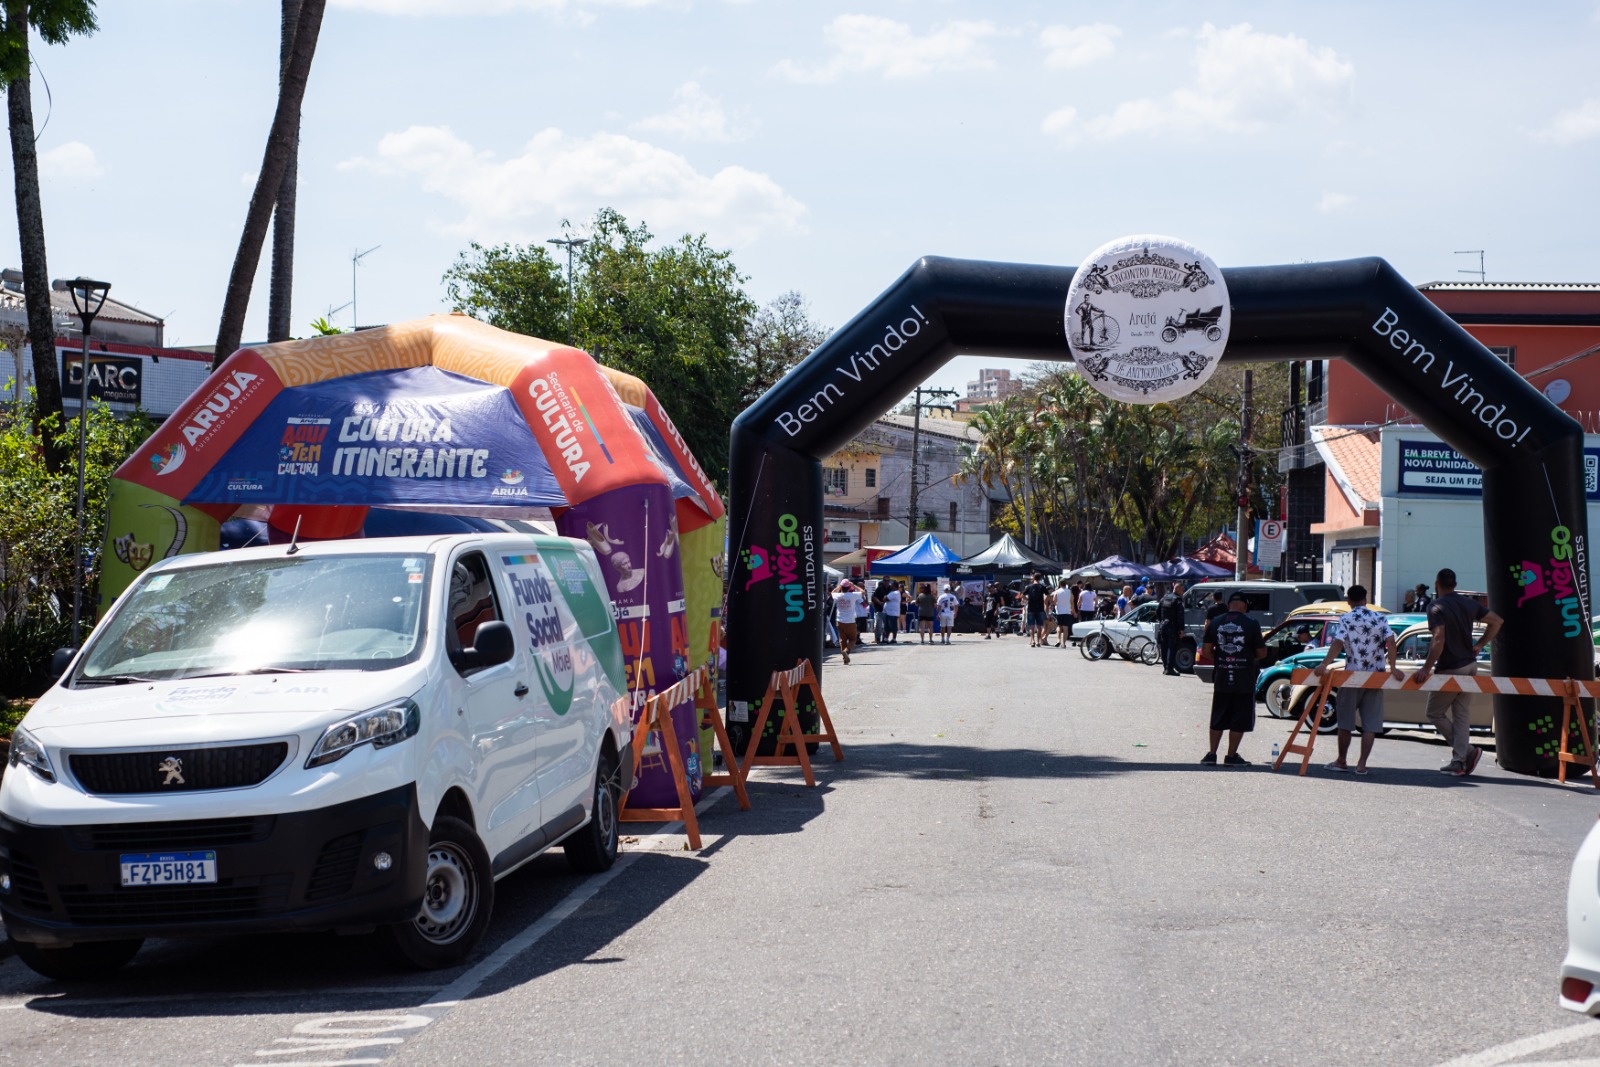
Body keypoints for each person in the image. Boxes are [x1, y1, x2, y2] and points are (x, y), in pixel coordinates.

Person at [1412, 567, 1503, 776]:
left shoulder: (1435, 607)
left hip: (1451, 667)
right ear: (1455, 584)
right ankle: (1460, 760)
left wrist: (1426, 668)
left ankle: (1467, 753)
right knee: (1462, 714)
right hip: (1471, 664)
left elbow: (1438, 639)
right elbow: (1497, 621)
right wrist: (1480, 644)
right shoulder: (1469, 604)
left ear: (1437, 584)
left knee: (1434, 712)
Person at [1315, 584, 1402, 775]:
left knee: (1345, 721)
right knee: (1370, 723)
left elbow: (1338, 643)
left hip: (1352, 676)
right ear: (1366, 599)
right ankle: (1362, 764)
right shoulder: (1380, 618)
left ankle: (1342, 760)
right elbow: (1391, 642)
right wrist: (1393, 667)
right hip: (1375, 676)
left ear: (1348, 601)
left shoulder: (1346, 618)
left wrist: (1324, 664)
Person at [1201, 590, 1267, 766]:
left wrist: (1223, 659)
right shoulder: (1252, 624)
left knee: (1218, 715)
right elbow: (1262, 652)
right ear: (1244, 606)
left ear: (1229, 605)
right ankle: (1231, 756)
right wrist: (1245, 657)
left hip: (1222, 676)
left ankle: (1211, 754)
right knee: (1239, 717)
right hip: (1244, 678)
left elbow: (1206, 651)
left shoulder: (1215, 622)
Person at [1158, 580, 1186, 675]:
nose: (1183, 592)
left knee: (1164, 647)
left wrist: (1161, 622)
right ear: (1177, 588)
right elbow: (1180, 616)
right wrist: (1181, 629)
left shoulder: (1164, 598)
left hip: (1163, 626)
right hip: (1172, 627)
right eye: (1182, 590)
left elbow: (1158, 612)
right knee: (1172, 647)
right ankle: (1169, 668)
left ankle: (1165, 667)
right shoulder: (1177, 601)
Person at [832, 580, 863, 665]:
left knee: (843, 640)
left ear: (841, 587)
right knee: (853, 639)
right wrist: (854, 585)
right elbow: (863, 592)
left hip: (840, 620)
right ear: (849, 588)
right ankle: (846, 650)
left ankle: (844, 659)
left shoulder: (838, 595)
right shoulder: (852, 595)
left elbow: (832, 592)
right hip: (850, 621)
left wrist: (839, 586)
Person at [1023, 572, 1049, 647]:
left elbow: (1022, 595)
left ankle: (1032, 640)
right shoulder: (1042, 586)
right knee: (1039, 626)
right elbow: (1048, 595)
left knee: (1031, 626)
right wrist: (1045, 601)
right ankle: (1038, 641)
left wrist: (1028, 599)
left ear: (1033, 578)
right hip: (1040, 608)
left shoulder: (1029, 586)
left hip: (1031, 608)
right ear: (1040, 578)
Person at [1054, 580, 1075, 647]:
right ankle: (1063, 643)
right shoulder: (1069, 591)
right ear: (1066, 584)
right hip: (1067, 612)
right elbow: (1072, 601)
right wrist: (1072, 610)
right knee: (1066, 628)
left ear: (1060, 584)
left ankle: (1058, 640)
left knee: (1059, 626)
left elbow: (1054, 601)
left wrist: (1057, 603)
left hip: (1059, 612)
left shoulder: (1057, 591)